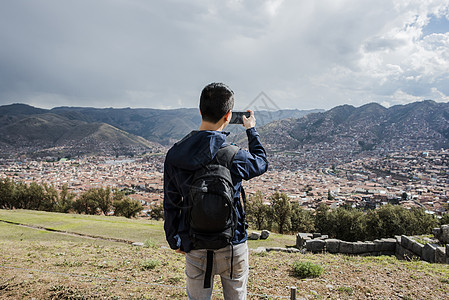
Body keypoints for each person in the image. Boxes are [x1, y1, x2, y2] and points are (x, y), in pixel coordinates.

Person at [163, 82, 268, 299]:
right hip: (233, 242)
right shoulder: (234, 155)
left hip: (194, 243)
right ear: (228, 116)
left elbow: (171, 202)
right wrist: (251, 130)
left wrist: (174, 240)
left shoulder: (175, 155)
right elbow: (261, 163)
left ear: (200, 110)